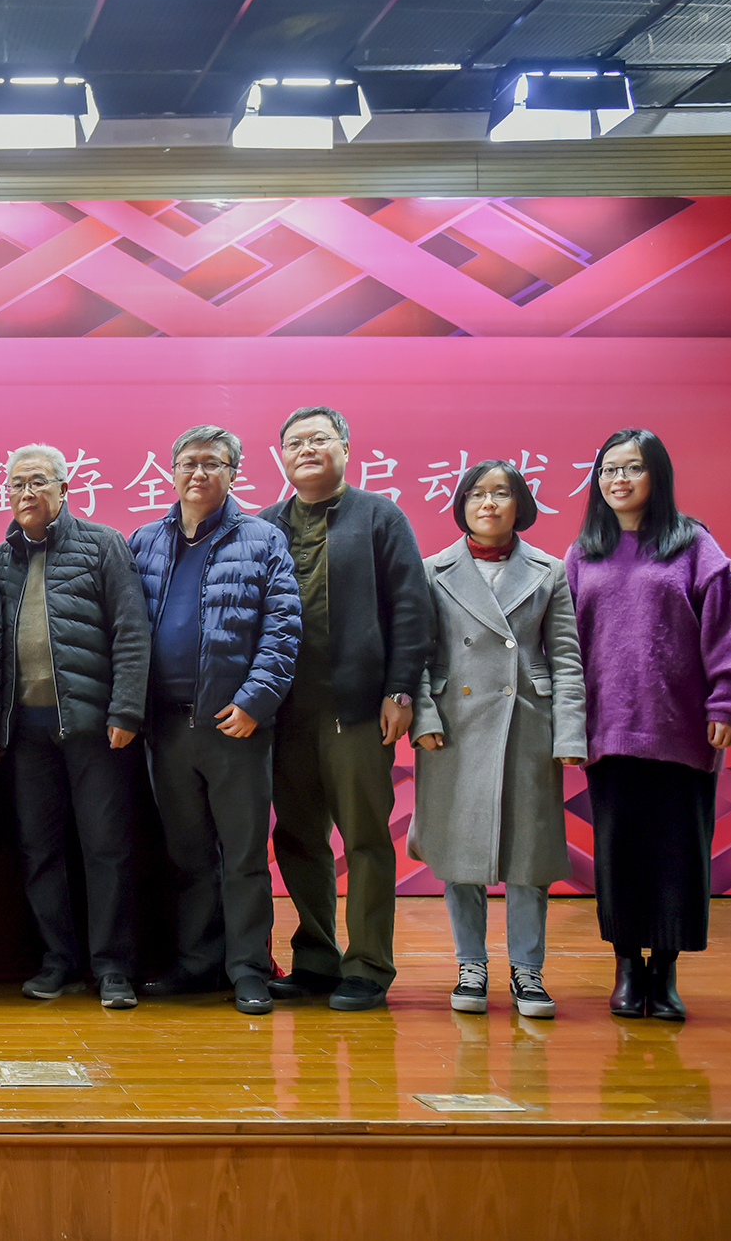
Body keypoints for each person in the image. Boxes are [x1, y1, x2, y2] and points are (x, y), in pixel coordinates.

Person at [566, 429, 731, 1021]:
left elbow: (728, 627)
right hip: (609, 729)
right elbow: (564, 646)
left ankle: (666, 972)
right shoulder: (585, 553)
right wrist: (566, 721)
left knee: (678, 854)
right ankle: (628, 969)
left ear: (658, 475)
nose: (618, 480)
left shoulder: (693, 545)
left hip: (681, 729)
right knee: (619, 853)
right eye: (608, 470)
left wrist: (729, 703)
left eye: (632, 468)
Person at [261, 405, 433, 1011]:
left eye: (319, 438)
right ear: (281, 457)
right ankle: (315, 958)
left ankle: (368, 966)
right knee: (297, 839)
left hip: (355, 709)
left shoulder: (379, 516)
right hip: (283, 712)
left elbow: (411, 608)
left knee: (364, 838)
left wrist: (400, 690)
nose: (306, 449)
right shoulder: (264, 525)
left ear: (346, 448)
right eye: (294, 442)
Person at [128, 426, 299, 1015]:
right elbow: (126, 629)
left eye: (212, 463)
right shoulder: (145, 541)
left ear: (234, 473)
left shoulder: (262, 538)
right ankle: (199, 962)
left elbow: (282, 629)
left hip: (235, 726)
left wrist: (255, 701)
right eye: (188, 463)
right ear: (172, 471)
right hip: (166, 727)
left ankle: (248, 968)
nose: (198, 473)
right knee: (189, 856)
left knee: (245, 857)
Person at [411, 460, 586, 1019]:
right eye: (477, 494)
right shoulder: (432, 569)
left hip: (527, 725)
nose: (488, 503)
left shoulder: (549, 571)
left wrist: (570, 732)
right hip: (454, 727)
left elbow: (566, 658)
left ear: (520, 505)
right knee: (459, 853)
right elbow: (416, 654)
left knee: (529, 857)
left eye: (501, 493)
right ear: (461, 504)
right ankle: (471, 965)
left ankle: (528, 971)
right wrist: (423, 717)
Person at [0, 445, 150, 1008]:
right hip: (26, 734)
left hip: (93, 729)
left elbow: (131, 630)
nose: (25, 492)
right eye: (16, 484)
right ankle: (57, 960)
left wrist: (126, 710)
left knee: (106, 848)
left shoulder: (102, 545)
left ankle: (112, 967)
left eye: (37, 481)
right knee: (39, 850)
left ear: (64, 489)